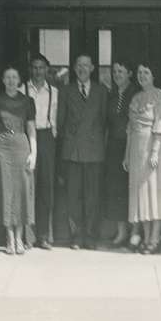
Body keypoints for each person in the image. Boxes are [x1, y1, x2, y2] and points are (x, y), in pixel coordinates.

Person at [57, 53, 108, 250]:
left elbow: (104, 122)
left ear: (93, 68)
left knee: (93, 196)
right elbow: (61, 122)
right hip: (73, 152)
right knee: (73, 196)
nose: (82, 69)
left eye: (86, 65)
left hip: (94, 152)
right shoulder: (66, 90)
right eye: (79, 65)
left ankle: (91, 236)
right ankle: (76, 236)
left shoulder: (102, 91)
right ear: (74, 68)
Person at [0, 65, 37, 255]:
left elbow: (31, 129)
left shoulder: (27, 101)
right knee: (6, 191)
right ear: (2, 80)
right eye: (7, 77)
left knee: (22, 191)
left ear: (19, 80)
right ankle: (9, 239)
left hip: (21, 145)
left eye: (14, 77)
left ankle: (19, 238)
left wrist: (34, 154)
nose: (11, 81)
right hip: (3, 147)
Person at [123, 62, 161, 255]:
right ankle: (145, 235)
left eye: (146, 72)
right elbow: (130, 129)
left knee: (154, 192)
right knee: (140, 193)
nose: (142, 76)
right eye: (140, 72)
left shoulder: (159, 96)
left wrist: (155, 151)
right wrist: (126, 155)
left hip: (152, 148)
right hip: (135, 150)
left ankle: (155, 237)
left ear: (153, 75)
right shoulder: (136, 98)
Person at [22, 53, 59, 250]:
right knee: (28, 187)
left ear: (47, 69)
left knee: (46, 187)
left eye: (41, 67)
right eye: (35, 67)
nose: (38, 71)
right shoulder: (22, 89)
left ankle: (44, 236)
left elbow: (56, 119)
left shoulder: (54, 91)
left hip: (46, 139)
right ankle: (28, 236)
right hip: (27, 138)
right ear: (31, 70)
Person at [104, 59, 140, 247]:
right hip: (113, 147)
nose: (117, 75)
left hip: (131, 145)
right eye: (115, 71)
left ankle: (135, 230)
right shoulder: (111, 95)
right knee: (116, 189)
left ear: (130, 74)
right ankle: (121, 231)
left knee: (131, 187)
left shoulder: (135, 94)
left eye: (121, 71)